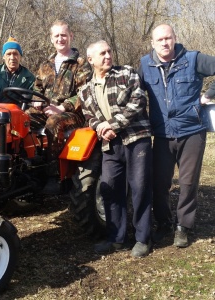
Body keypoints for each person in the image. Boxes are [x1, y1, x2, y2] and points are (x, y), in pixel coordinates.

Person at [138, 24, 215, 248]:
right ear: (153, 43)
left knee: (188, 182)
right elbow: (134, 91)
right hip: (162, 134)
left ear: (175, 39)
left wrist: (209, 95)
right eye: (160, 39)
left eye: (168, 38)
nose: (164, 43)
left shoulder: (192, 59)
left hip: (192, 131)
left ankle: (183, 226)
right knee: (159, 182)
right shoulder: (145, 65)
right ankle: (164, 223)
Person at [79, 40, 152, 258]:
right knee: (109, 189)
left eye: (109, 51)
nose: (108, 56)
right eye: (102, 53)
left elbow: (138, 101)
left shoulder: (126, 74)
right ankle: (117, 238)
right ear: (91, 60)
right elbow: (89, 117)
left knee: (139, 188)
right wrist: (101, 129)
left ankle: (142, 239)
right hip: (110, 144)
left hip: (136, 139)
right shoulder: (84, 90)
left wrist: (111, 125)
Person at [27, 20, 92, 171]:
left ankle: (54, 171)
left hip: (73, 114)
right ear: (51, 39)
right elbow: (37, 87)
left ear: (71, 36)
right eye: (56, 36)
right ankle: (26, 164)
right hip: (46, 110)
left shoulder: (80, 64)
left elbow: (85, 93)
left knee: (53, 122)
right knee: (21, 118)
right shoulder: (45, 65)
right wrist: (36, 100)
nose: (60, 39)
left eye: (63, 35)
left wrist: (62, 108)